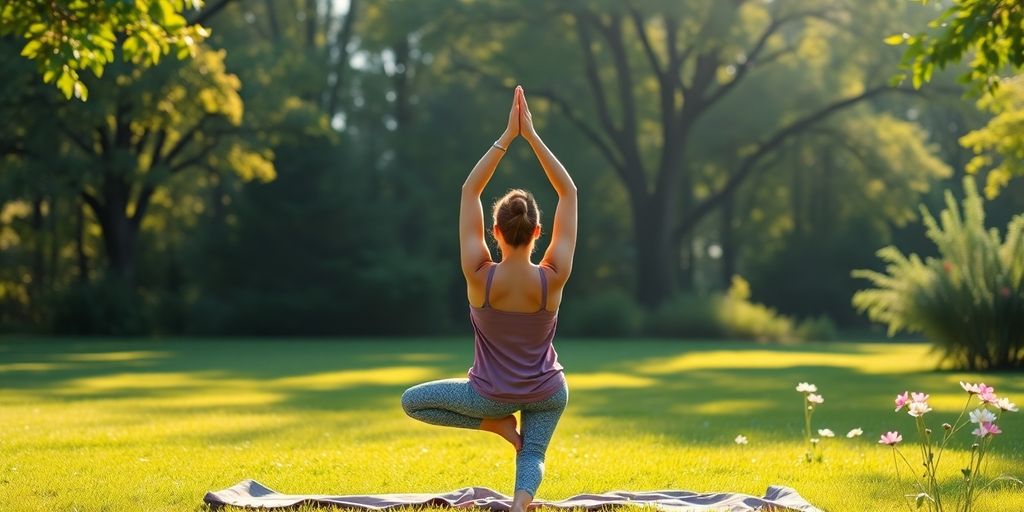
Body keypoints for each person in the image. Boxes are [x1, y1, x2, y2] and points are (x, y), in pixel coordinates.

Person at [401, 85, 577, 512]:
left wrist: (506, 137)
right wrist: (532, 136)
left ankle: (494, 426)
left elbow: (469, 192)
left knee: (412, 402)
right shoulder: (552, 278)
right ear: (538, 233)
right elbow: (569, 194)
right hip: (549, 390)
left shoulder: (479, 275)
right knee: (533, 454)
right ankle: (520, 507)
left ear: (494, 232)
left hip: (489, 397)